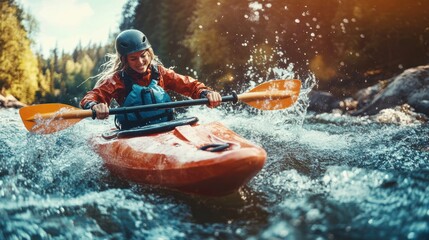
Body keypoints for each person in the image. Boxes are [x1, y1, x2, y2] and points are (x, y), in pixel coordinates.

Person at [80, 29, 222, 129]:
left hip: (167, 127)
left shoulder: (160, 73)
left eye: (143, 55)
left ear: (149, 53)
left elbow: (189, 85)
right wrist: (95, 106)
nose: (140, 62)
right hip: (133, 134)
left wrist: (206, 93)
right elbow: (92, 97)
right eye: (133, 58)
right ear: (125, 60)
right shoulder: (117, 80)